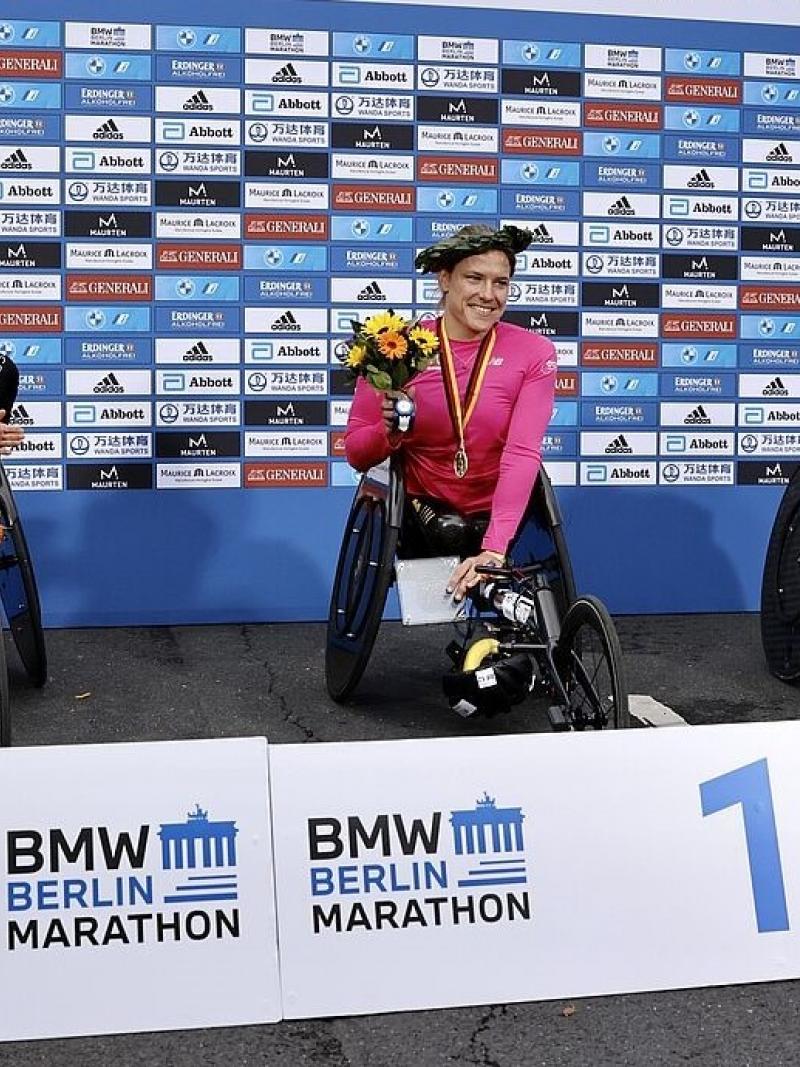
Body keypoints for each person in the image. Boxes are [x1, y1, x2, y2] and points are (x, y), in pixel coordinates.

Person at [344, 224, 557, 603]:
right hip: (424, 514)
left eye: (501, 283)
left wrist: (493, 549)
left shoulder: (534, 352)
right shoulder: (395, 348)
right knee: (451, 529)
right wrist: (390, 432)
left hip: (498, 514)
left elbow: (522, 452)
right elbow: (357, 453)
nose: (488, 295)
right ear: (445, 279)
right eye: (474, 278)